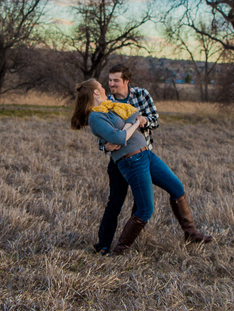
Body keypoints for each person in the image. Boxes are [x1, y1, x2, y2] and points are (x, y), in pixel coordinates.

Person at [70, 79, 212, 255]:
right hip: (132, 161)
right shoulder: (95, 116)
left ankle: (191, 233)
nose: (105, 87)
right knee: (145, 209)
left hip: (147, 154)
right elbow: (119, 138)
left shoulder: (111, 107)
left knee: (177, 187)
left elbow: (133, 114)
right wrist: (134, 125)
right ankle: (120, 249)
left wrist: (128, 127)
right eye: (101, 86)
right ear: (95, 93)